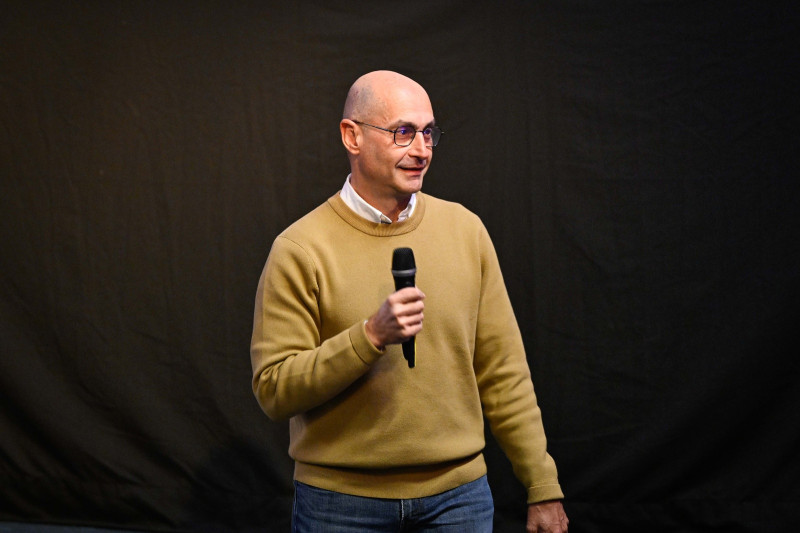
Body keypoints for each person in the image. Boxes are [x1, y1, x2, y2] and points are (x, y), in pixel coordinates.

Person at [250, 70, 569, 533]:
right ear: (352, 136)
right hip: (340, 506)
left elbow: (504, 372)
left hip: (459, 500)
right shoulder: (300, 249)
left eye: (428, 133)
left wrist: (542, 483)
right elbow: (275, 390)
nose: (421, 150)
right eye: (403, 132)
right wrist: (369, 337)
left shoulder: (466, 231)